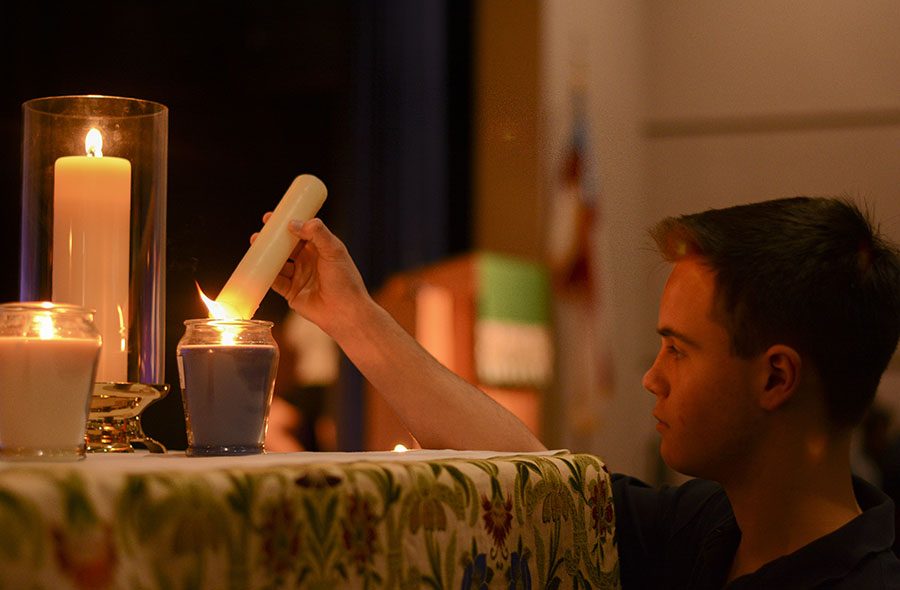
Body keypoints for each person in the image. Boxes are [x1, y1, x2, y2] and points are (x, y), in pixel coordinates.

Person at [258, 196, 900, 588]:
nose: (652, 376)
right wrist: (352, 315)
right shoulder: (707, 525)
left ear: (775, 378)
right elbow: (534, 477)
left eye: (677, 349)